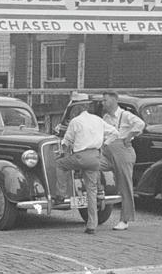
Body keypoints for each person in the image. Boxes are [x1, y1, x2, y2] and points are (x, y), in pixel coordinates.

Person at [54, 101, 117, 234]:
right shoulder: (98, 120)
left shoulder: (75, 122)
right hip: (95, 157)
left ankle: (60, 194)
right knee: (91, 192)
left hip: (80, 157)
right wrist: (104, 144)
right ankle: (91, 225)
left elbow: (66, 142)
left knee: (60, 165)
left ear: (77, 109)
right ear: (86, 108)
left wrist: (62, 152)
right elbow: (115, 133)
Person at [100, 91, 145, 231]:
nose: (103, 103)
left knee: (125, 185)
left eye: (105, 100)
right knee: (91, 164)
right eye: (103, 100)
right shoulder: (105, 117)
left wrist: (129, 136)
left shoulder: (124, 115)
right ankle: (99, 194)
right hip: (107, 151)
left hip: (123, 152)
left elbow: (140, 124)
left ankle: (125, 220)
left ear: (114, 101)